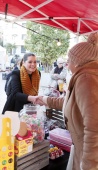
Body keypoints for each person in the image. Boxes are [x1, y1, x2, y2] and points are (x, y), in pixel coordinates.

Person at [37, 32, 98, 170]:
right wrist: (44, 100)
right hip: (80, 148)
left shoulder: (87, 79)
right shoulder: (83, 76)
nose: (67, 65)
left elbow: (94, 128)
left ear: (78, 62)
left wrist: (89, 164)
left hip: (87, 154)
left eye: (69, 61)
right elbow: (70, 103)